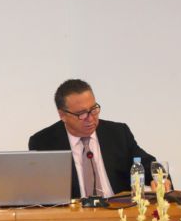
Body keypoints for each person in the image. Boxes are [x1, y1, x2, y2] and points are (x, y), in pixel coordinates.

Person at [29, 79, 170, 199]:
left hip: (118, 211)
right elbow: (39, 191)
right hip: (73, 217)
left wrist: (160, 179)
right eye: (81, 114)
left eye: (94, 109)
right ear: (62, 115)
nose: (91, 118)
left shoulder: (117, 133)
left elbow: (147, 163)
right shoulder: (43, 142)